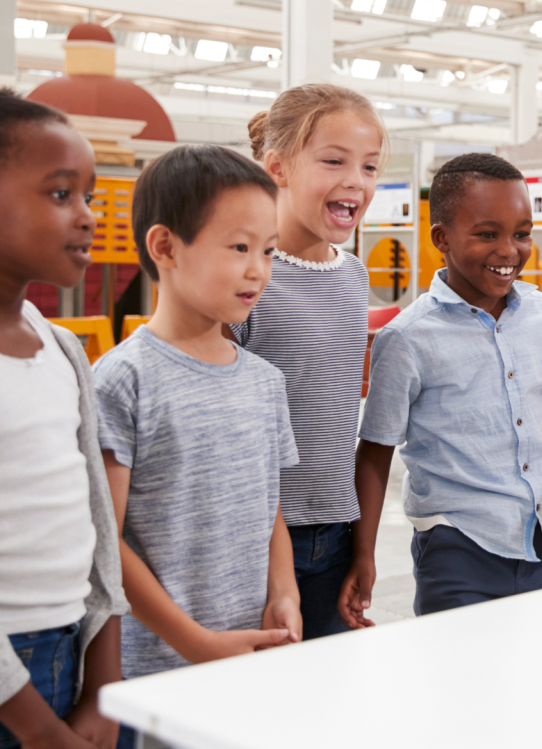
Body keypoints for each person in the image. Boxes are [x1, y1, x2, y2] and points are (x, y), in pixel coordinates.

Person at [92, 146, 302, 749]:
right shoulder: (122, 379)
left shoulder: (264, 380)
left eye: (267, 251)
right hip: (158, 672)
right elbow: (107, 539)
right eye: (239, 248)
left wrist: (283, 595)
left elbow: (270, 512)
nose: (258, 270)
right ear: (165, 247)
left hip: (250, 656)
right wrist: (194, 641)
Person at [356, 153, 542, 618]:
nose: (510, 250)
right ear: (441, 238)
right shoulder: (407, 337)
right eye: (488, 234)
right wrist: (362, 554)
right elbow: (375, 450)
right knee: (460, 680)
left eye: (522, 233)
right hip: (458, 550)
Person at [226, 83, 389, 639]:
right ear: (278, 168)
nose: (356, 181)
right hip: (254, 533)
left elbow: (341, 421)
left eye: (369, 167)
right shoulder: (248, 276)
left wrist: (361, 548)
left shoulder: (354, 275)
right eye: (334, 161)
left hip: (335, 531)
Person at [0, 89, 128, 749]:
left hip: (70, 649)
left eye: (89, 197)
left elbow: (97, 521)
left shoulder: (62, 348)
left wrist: (103, 686)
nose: (86, 218)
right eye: (59, 195)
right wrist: (37, 728)